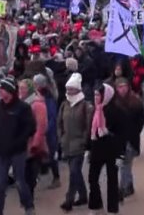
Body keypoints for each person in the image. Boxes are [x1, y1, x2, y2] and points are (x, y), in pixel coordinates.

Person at [0, 77, 36, 215]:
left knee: (20, 182)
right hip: (1, 152)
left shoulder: (23, 108)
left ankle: (29, 207)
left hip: (18, 151)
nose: (0, 91)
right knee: (0, 184)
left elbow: (30, 128)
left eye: (3, 89)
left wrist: (19, 142)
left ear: (10, 91)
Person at [88, 84, 126, 214]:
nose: (96, 97)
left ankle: (112, 209)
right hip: (97, 148)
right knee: (92, 178)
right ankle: (95, 205)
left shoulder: (116, 111)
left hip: (112, 150)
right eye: (95, 95)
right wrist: (88, 147)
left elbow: (122, 134)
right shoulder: (95, 110)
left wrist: (121, 154)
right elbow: (91, 130)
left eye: (98, 95)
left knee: (112, 181)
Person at [57, 73, 92, 212]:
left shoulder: (85, 106)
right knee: (75, 172)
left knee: (73, 171)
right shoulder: (64, 104)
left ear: (78, 89)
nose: (69, 91)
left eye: (72, 89)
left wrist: (84, 140)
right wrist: (61, 137)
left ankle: (68, 200)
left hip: (78, 144)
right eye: (68, 89)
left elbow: (88, 126)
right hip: (66, 143)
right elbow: (59, 122)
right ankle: (83, 195)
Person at [114, 79, 144, 198]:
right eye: (120, 87)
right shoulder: (114, 103)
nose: (122, 89)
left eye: (124, 86)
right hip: (119, 139)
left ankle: (124, 187)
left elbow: (141, 120)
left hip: (131, 139)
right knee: (124, 164)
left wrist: (135, 131)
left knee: (125, 164)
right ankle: (129, 185)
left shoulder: (135, 103)